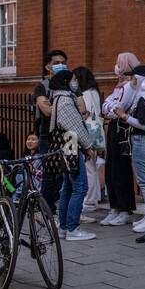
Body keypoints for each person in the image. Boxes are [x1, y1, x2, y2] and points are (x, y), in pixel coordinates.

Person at [49, 68, 95, 241]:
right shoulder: (65, 101)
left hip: (67, 146)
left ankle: (64, 227)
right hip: (70, 146)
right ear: (67, 82)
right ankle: (73, 228)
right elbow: (74, 126)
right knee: (80, 186)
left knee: (68, 187)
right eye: (73, 80)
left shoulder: (59, 98)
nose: (75, 82)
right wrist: (88, 146)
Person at [117, 65, 145, 235]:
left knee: (144, 180)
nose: (132, 81)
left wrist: (124, 116)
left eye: (134, 78)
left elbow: (143, 124)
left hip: (143, 140)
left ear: (142, 79)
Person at [100, 53, 139, 226]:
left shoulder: (132, 85)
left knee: (122, 169)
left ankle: (125, 208)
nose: (116, 67)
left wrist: (112, 107)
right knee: (111, 168)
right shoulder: (119, 86)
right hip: (114, 128)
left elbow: (119, 106)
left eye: (119, 64)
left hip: (123, 129)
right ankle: (114, 206)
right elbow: (106, 107)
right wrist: (111, 107)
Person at [33, 49, 70, 219]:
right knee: (50, 174)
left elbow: (83, 109)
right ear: (48, 66)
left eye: (63, 62)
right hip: (48, 135)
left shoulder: (71, 84)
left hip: (67, 135)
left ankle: (63, 210)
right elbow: (45, 110)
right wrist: (66, 110)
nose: (60, 65)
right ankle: (46, 209)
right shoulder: (42, 86)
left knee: (68, 174)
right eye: (56, 63)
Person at [74, 66, 105, 211]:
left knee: (88, 167)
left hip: (87, 132)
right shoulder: (95, 93)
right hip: (95, 131)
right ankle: (95, 197)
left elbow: (84, 114)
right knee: (91, 165)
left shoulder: (86, 94)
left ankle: (90, 200)